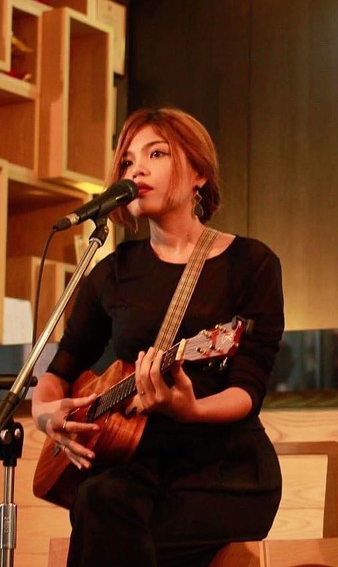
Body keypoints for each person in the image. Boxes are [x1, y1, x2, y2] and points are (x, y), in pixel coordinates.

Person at [31, 107, 285, 567]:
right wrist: (47, 415)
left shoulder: (251, 263)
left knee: (112, 536)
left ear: (199, 174)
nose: (137, 170)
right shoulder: (112, 271)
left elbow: (248, 389)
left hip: (225, 469)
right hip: (140, 466)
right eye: (127, 161)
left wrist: (191, 409)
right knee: (99, 499)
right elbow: (61, 368)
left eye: (156, 154)